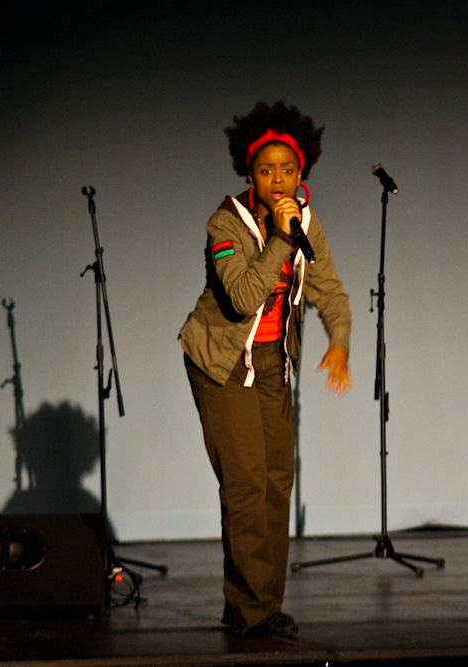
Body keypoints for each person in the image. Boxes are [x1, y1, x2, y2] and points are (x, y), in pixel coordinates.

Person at [179, 101, 352, 637]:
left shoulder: (307, 219)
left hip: (274, 364)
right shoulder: (224, 222)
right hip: (222, 364)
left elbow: (328, 287)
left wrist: (340, 341)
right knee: (246, 485)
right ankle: (256, 613)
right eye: (266, 170)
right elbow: (243, 296)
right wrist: (280, 236)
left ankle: (253, 605)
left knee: (277, 483)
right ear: (249, 173)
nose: (279, 181)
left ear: (302, 173)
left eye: (288, 170)